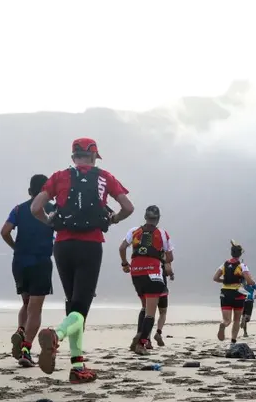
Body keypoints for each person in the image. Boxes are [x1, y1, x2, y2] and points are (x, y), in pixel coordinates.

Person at [31, 138, 134, 383]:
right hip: (90, 245)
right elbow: (128, 207)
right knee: (80, 307)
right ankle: (56, 335)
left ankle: (78, 366)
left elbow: (36, 207)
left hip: (63, 245)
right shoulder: (105, 177)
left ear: (73, 156)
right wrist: (113, 219)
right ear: (94, 157)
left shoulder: (59, 176)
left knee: (73, 305)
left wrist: (50, 221)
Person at [1, 174, 55, 368]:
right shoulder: (52, 209)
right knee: (35, 308)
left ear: (30, 190)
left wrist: (16, 248)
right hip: (40, 261)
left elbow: (4, 231)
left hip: (20, 263)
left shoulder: (18, 209)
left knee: (26, 302)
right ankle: (26, 349)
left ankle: (21, 330)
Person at [120, 205, 174, 356]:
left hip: (136, 273)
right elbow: (170, 258)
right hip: (153, 274)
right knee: (151, 312)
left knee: (144, 307)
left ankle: (139, 334)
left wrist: (125, 264)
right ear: (157, 219)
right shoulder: (162, 233)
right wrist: (160, 256)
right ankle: (142, 342)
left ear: (145, 217)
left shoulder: (134, 231)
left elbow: (122, 247)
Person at [214, 241, 256, 343]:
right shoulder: (242, 266)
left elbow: (215, 278)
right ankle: (233, 340)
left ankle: (223, 324)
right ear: (240, 254)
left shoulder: (224, 264)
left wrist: (224, 281)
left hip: (225, 293)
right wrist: (251, 281)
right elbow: (249, 281)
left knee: (227, 320)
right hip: (238, 293)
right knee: (236, 320)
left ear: (231, 253)